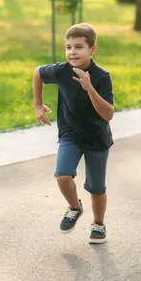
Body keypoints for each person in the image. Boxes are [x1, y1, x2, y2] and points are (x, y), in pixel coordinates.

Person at [32, 23, 114, 244]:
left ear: (92, 49)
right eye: (68, 47)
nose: (72, 52)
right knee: (62, 175)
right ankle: (74, 207)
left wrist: (90, 88)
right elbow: (38, 73)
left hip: (97, 139)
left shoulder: (102, 76)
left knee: (97, 187)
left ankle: (98, 224)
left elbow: (108, 114)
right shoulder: (61, 71)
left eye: (78, 47)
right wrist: (38, 104)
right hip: (70, 134)